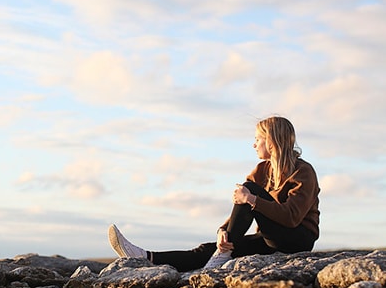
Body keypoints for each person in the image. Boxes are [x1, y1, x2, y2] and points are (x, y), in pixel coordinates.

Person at [107, 116, 320, 271]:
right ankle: (145, 257)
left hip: (297, 239)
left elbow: (291, 217)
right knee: (209, 248)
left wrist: (252, 199)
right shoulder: (262, 171)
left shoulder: (303, 172)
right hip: (269, 238)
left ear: (272, 141)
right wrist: (223, 231)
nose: (254, 144)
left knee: (248, 191)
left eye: (258, 139)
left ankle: (223, 254)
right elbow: (243, 206)